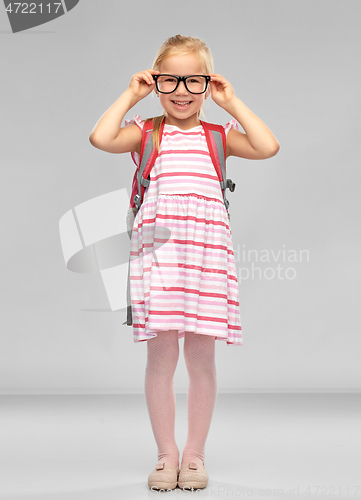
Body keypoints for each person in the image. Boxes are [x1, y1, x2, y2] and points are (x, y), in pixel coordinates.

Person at [89, 34, 280, 491]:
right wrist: (131, 95)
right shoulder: (148, 132)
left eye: (193, 80)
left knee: (200, 358)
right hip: (159, 258)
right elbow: (101, 137)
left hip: (206, 258)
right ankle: (166, 454)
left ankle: (194, 455)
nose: (181, 89)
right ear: (156, 83)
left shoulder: (219, 137)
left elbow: (268, 145)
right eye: (169, 79)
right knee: (161, 357)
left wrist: (231, 103)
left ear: (206, 83)